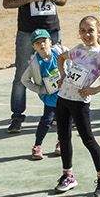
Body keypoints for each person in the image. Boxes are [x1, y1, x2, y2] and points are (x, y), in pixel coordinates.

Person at [52, 16, 100, 196]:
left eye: (90, 30)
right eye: (82, 31)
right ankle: (68, 175)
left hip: (80, 103)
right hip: (63, 98)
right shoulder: (77, 50)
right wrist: (62, 76)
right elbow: (61, 58)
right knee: (64, 138)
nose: (86, 34)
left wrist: (96, 89)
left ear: (99, 31)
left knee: (88, 140)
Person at [4, 0, 67, 134]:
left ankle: (57, 113)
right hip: (27, 32)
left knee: (56, 72)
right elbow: (6, 2)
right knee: (21, 73)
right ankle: (17, 116)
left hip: (52, 31)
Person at [18, 28, 62, 161]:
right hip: (49, 98)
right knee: (46, 121)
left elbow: (71, 64)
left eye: (44, 41)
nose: (42, 45)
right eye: (38, 43)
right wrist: (40, 89)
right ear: (33, 47)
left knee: (63, 121)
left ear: (50, 41)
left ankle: (61, 143)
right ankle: (37, 145)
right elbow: (24, 80)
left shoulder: (60, 53)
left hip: (64, 95)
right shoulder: (34, 63)